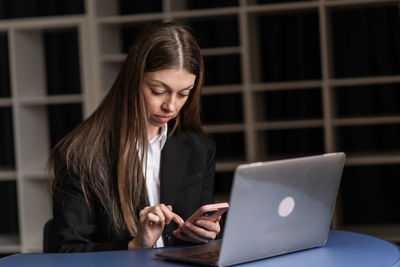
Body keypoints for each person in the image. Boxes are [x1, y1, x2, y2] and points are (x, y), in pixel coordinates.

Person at [45, 22, 221, 252]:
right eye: (158, 91)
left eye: (183, 94)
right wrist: (134, 245)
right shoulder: (79, 154)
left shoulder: (200, 148)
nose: (170, 106)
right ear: (133, 81)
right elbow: (65, 251)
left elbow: (191, 238)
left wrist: (205, 234)